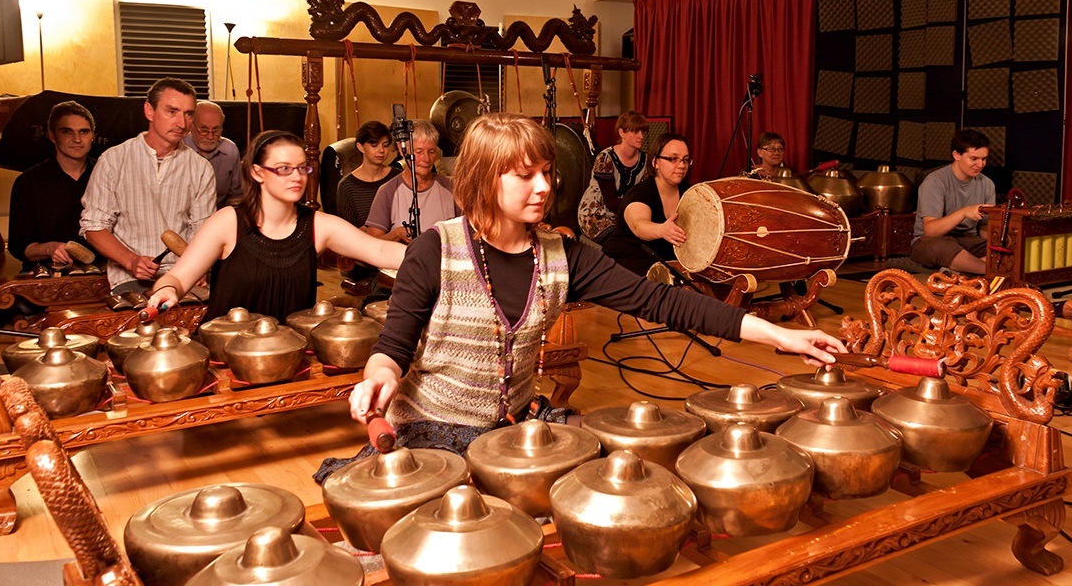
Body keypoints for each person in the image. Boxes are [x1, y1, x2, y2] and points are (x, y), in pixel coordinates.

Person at [330, 113, 843, 472]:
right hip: (432, 429)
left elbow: (663, 302)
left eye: (547, 173)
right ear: (486, 179)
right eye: (524, 175)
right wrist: (377, 379)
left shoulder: (561, 255)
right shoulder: (434, 251)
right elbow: (392, 348)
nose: (544, 187)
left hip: (513, 427)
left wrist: (777, 334)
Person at [147, 130, 407, 323]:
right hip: (225, 355)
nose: (297, 177)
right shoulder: (228, 222)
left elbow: (381, 252)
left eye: (302, 168)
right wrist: (167, 289)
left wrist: (442, 251)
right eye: (284, 169)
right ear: (257, 172)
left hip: (289, 355)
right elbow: (178, 278)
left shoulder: (318, 225)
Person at [80, 77, 215, 295]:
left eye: (188, 114)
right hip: (130, 280)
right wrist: (131, 260)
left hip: (183, 277)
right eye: (172, 111)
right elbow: (93, 227)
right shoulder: (114, 160)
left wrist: (199, 268)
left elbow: (202, 231)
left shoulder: (201, 168)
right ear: (149, 111)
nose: (182, 123)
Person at [8, 101, 97, 272]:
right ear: (52, 135)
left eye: (84, 132)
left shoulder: (108, 176)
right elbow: (19, 246)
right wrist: (50, 248)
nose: (77, 139)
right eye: (66, 131)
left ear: (93, 135)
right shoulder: (27, 182)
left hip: (102, 273)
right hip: (45, 274)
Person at [601, 133, 691, 277]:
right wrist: (662, 230)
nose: (681, 165)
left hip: (663, 266)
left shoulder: (690, 194)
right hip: (624, 266)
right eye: (673, 159)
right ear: (655, 162)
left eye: (685, 160)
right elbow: (639, 225)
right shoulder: (640, 193)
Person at [910, 129, 995, 275]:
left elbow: (983, 229)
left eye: (984, 159)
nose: (980, 164)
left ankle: (959, 269)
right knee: (943, 247)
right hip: (930, 241)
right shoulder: (935, 182)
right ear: (956, 155)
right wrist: (963, 212)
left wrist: (997, 243)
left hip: (967, 241)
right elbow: (930, 231)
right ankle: (991, 271)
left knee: (1003, 249)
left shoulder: (987, 184)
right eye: (974, 159)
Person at [363, 119, 458, 244]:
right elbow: (372, 245)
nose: (426, 159)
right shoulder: (388, 191)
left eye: (431, 151)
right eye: (419, 152)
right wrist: (396, 234)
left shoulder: (451, 187)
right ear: (402, 150)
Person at [577, 111, 649, 241]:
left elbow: (641, 194)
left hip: (627, 214)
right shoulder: (605, 158)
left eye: (643, 132)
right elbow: (610, 202)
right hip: (596, 214)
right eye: (636, 132)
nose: (641, 136)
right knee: (622, 241)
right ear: (622, 133)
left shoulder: (645, 160)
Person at [336, 120, 401, 229]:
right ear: (360, 147)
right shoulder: (347, 186)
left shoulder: (398, 177)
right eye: (374, 145)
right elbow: (347, 233)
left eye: (385, 145)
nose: (381, 150)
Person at [184, 100, 242, 208]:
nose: (210, 136)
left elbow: (236, 196)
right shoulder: (177, 149)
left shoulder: (230, 151)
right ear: (191, 126)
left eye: (216, 130)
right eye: (204, 130)